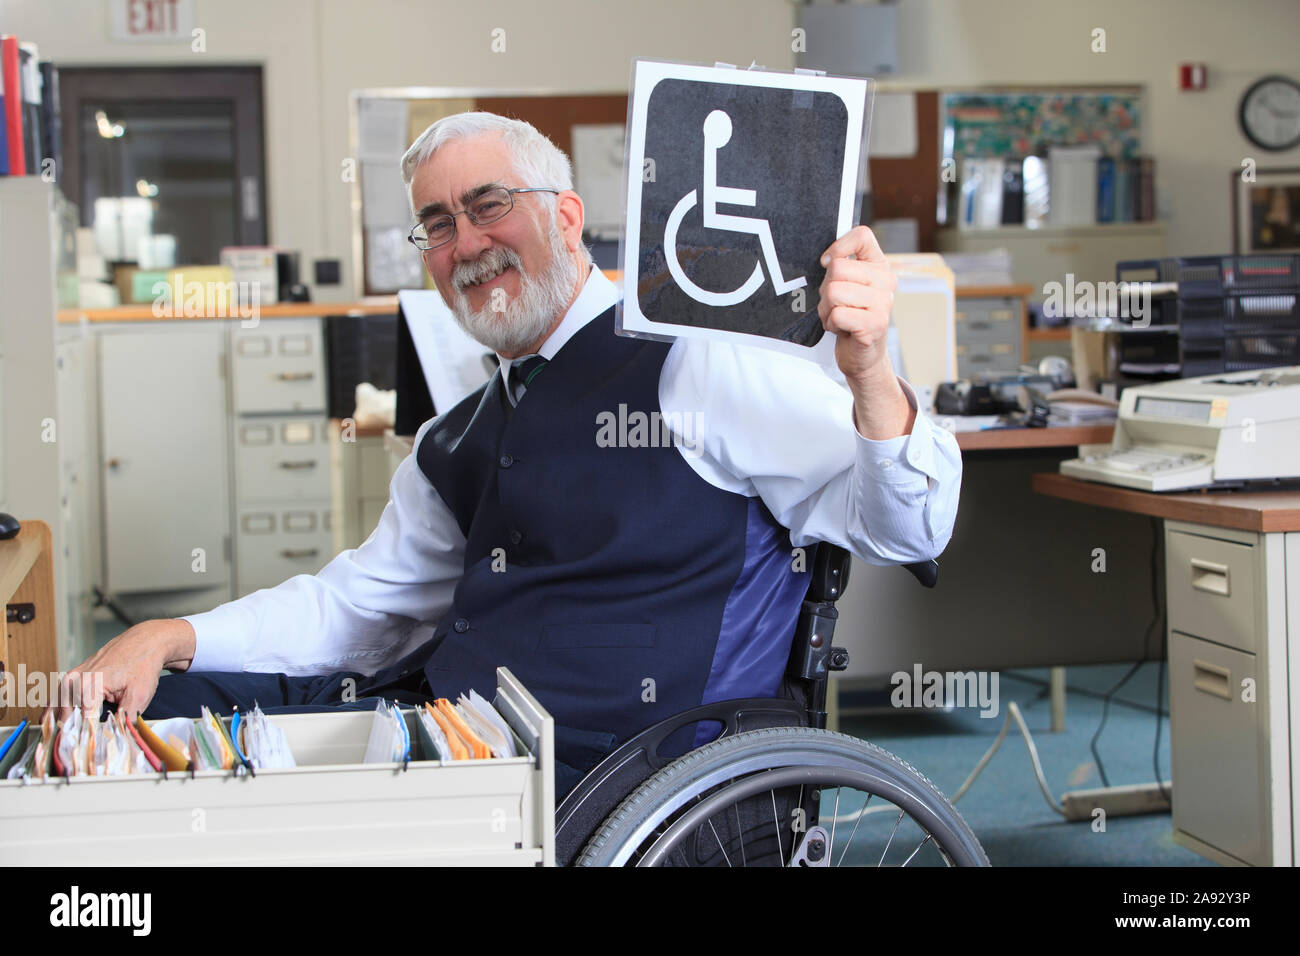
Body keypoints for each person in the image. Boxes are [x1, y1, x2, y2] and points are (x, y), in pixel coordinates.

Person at [62, 112, 962, 792]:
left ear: (567, 216)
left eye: (489, 206)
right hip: (451, 732)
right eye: (438, 225)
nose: (467, 244)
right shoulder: (457, 436)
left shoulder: (699, 360)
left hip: (605, 777)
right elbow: (359, 604)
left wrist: (873, 373)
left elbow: (909, 527)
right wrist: (171, 634)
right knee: (155, 709)